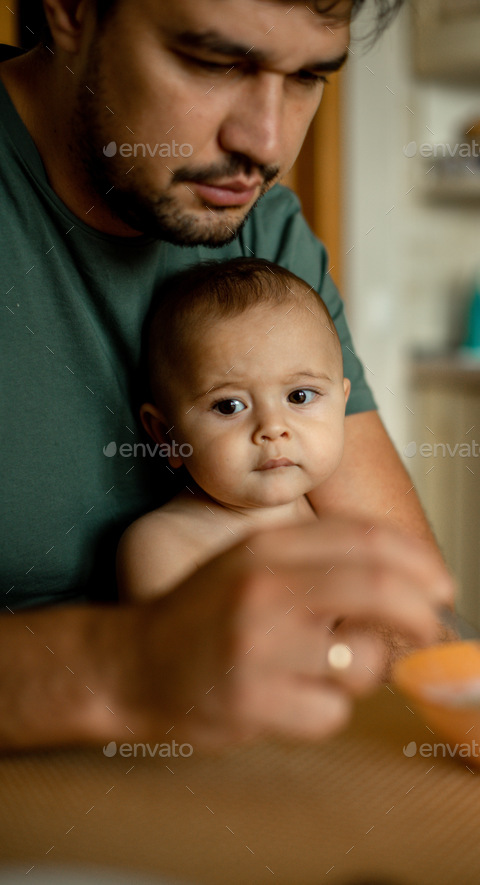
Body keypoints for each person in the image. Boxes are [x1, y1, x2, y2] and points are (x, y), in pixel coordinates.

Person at [0, 0, 453, 752]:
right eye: (213, 62)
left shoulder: (261, 230)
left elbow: (399, 615)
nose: (267, 144)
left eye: (310, 76)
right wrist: (130, 669)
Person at [117, 257, 352, 601]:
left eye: (299, 396)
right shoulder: (163, 545)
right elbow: (174, 653)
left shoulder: (327, 519)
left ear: (343, 404)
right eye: (229, 406)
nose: (273, 428)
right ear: (167, 437)